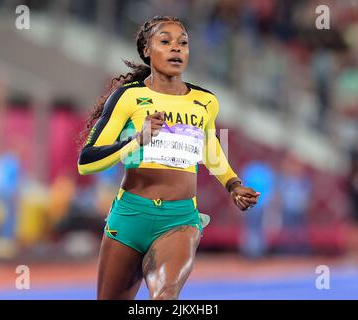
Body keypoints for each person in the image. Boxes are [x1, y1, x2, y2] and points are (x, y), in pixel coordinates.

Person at [77, 15, 259, 300]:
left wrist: (233, 184)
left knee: (165, 296)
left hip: (179, 220)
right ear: (147, 50)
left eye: (183, 43)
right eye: (165, 41)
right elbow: (86, 162)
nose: (176, 48)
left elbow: (209, 148)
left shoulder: (205, 101)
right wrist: (136, 141)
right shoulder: (128, 98)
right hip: (129, 218)